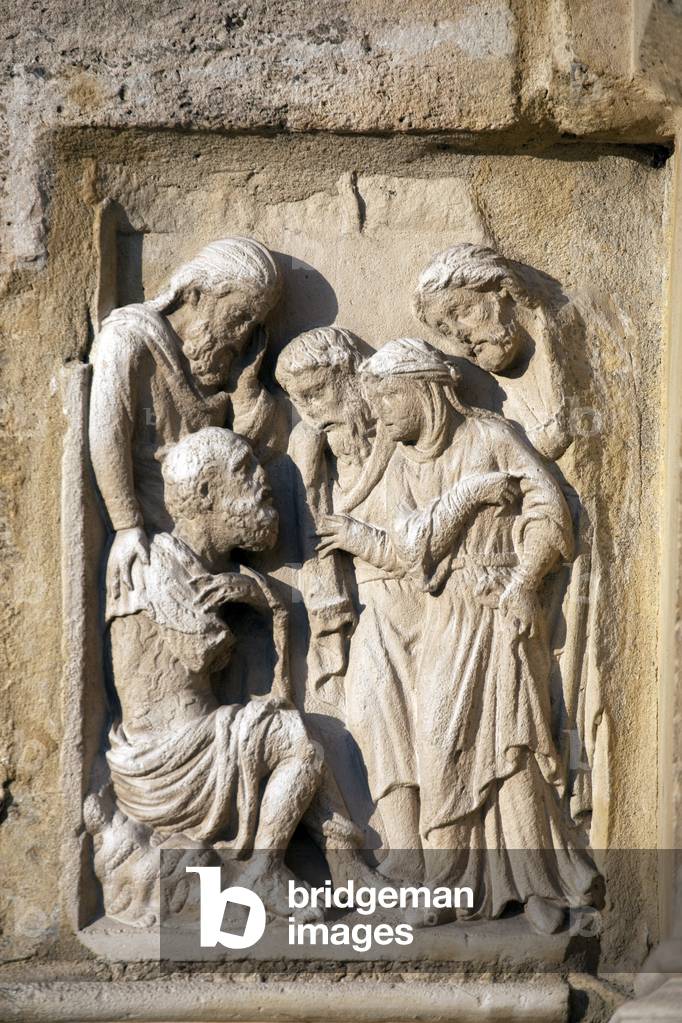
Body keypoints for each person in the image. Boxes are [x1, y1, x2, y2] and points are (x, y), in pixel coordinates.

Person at [317, 338, 598, 932]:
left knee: (511, 744)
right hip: (449, 615)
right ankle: (452, 883)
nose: (384, 413)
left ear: (427, 388)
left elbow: (550, 511)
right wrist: (453, 502)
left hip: (501, 604)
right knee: (443, 746)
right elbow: (409, 548)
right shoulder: (399, 463)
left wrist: (525, 582)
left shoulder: (491, 436)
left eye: (392, 396)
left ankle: (536, 882)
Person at [89, 236, 282, 617]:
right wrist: (127, 525)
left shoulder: (213, 370)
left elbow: (242, 460)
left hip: (208, 551)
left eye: (253, 323)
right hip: (155, 547)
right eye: (239, 315)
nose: (242, 335)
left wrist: (245, 390)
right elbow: (107, 432)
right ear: (195, 294)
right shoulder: (130, 340)